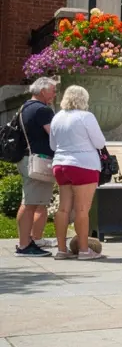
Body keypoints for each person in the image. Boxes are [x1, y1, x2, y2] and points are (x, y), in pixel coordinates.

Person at [49, 85, 106, 261]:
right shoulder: (86, 116)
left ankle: (61, 250)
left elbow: (52, 145)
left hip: (60, 164)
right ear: (84, 99)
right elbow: (100, 142)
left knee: (63, 208)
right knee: (82, 210)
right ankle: (83, 250)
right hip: (83, 165)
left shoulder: (57, 117)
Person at [15, 77, 57, 257]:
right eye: (53, 91)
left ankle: (31, 241)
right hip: (37, 161)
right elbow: (54, 135)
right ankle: (24, 245)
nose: (54, 94)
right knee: (30, 203)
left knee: (35, 202)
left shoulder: (25, 107)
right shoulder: (42, 110)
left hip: (27, 159)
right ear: (43, 91)